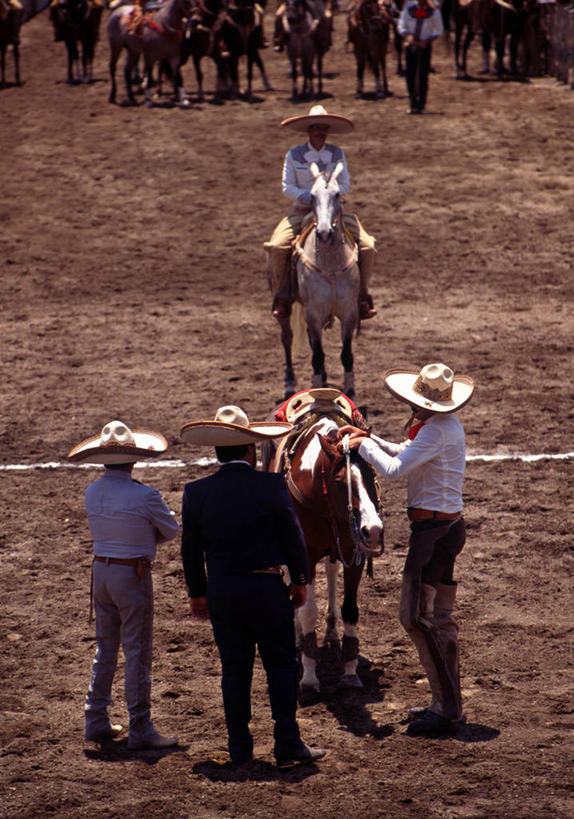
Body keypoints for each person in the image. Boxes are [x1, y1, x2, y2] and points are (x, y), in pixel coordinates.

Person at [180, 405, 327, 768]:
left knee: (235, 669)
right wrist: (301, 580)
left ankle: (239, 747)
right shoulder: (270, 485)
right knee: (280, 665)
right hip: (266, 588)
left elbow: (190, 549)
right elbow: (293, 536)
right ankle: (287, 742)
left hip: (223, 591)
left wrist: (197, 593)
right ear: (249, 450)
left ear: (217, 452)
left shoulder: (196, 492)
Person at [338, 363, 475, 735]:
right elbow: (406, 451)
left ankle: (446, 708)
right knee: (437, 616)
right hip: (446, 526)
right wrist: (369, 436)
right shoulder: (443, 427)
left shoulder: (434, 431)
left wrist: (363, 445)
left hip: (431, 532)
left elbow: (396, 469)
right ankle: (444, 702)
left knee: (414, 616)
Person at [68, 420, 180, 749]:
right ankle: (140, 725)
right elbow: (171, 530)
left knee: (105, 649)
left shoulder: (92, 491)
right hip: (132, 576)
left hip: (100, 573)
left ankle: (96, 718)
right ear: (133, 459)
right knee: (136, 651)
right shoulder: (145, 495)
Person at [264, 104, 377, 321]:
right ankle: (282, 297)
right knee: (278, 247)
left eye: (324, 128)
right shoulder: (294, 155)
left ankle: (362, 295)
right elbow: (287, 188)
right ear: (309, 130)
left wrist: (328, 196)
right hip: (302, 211)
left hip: (334, 211)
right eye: (316, 128)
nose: (320, 132)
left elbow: (344, 185)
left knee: (368, 246)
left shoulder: (337, 153)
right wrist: (313, 197)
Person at [397, 0, 443, 114]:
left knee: (423, 75)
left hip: (424, 46)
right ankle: (412, 104)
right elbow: (401, 25)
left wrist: (428, 40)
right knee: (410, 74)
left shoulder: (433, 12)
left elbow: (439, 29)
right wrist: (407, 35)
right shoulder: (409, 10)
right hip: (411, 45)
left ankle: (422, 104)